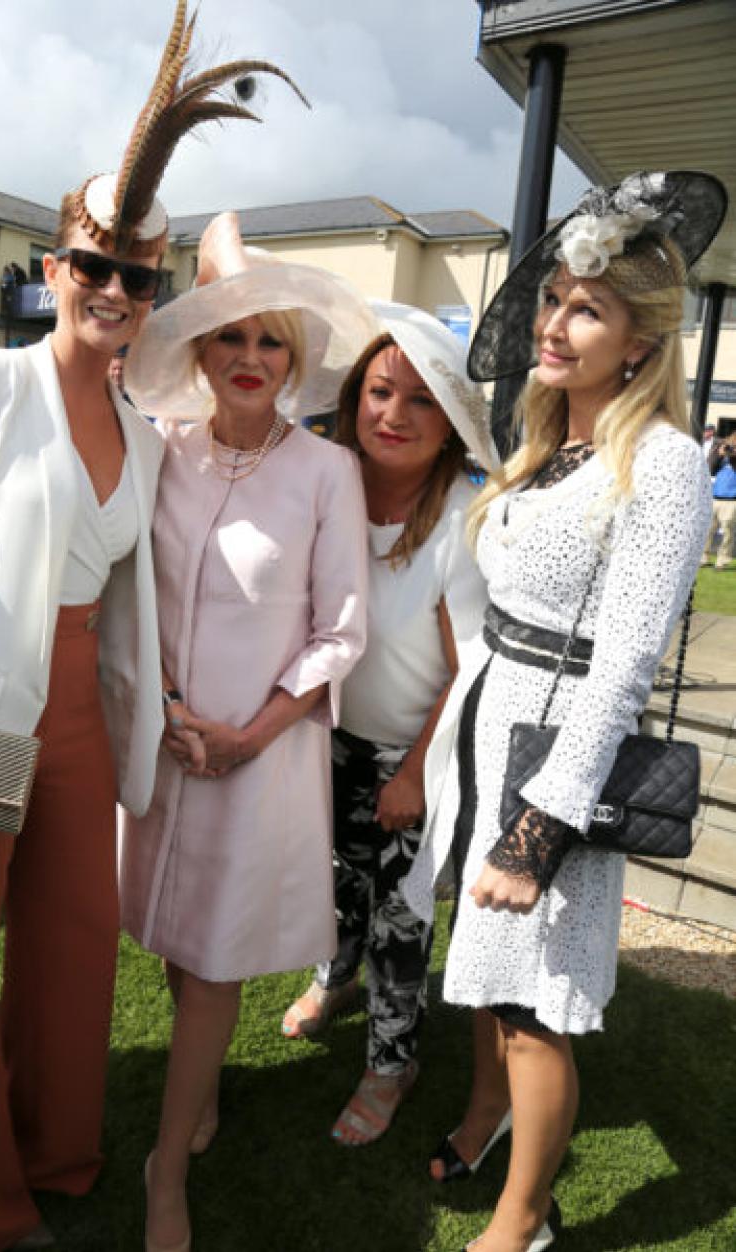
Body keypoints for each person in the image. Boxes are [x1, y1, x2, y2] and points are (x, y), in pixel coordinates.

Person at [0, 5, 304, 1247]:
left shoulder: (141, 432)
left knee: (75, 955)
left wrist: (161, 702)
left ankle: (58, 1157)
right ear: (53, 269)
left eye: (139, 276)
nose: (115, 292)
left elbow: (130, 591)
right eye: (94, 267)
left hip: (85, 719)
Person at [405, 171, 723, 1252]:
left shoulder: (664, 462)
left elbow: (624, 666)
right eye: (551, 298)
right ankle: (487, 1115)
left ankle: (520, 1223)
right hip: (494, 724)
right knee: (487, 975)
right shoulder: (550, 449)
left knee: (535, 1004)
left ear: (639, 341)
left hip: (558, 754)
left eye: (587, 308)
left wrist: (539, 826)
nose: (553, 321)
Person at [120, 211, 377, 1252]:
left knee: (216, 958)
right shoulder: (161, 452)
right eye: (232, 337)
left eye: (272, 341)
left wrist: (247, 731)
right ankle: (199, 1092)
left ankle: (165, 1171)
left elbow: (339, 630)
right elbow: (130, 592)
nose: (251, 359)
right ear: (199, 350)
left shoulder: (325, 472)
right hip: (165, 740)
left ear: (295, 359)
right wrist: (176, 713)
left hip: (260, 754)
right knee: (179, 946)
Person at [281, 303, 498, 1146]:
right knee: (330, 889)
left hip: (410, 754)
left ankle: (391, 1061)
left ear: (449, 426)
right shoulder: (324, 490)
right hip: (319, 738)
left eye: (419, 400)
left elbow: (469, 665)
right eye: (378, 391)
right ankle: (334, 979)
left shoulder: (461, 524)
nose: (393, 415)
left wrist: (411, 772)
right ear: (350, 400)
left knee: (399, 922)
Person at [704, 431, 736, 568]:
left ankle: (722, 560)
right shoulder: (723, 453)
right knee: (708, 530)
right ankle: (702, 558)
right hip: (715, 496)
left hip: (731, 499)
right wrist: (719, 454)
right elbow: (711, 468)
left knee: (727, 531)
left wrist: (732, 456)